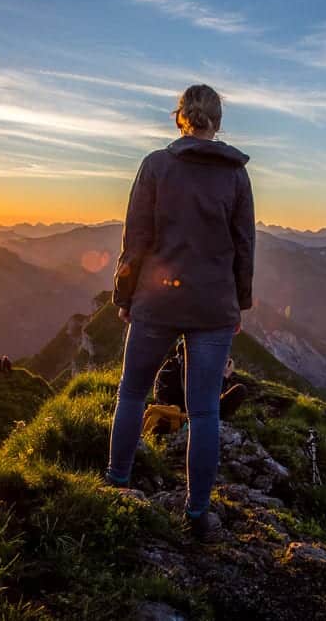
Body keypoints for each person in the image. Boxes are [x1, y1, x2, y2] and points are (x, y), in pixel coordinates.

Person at [106, 84, 255, 541]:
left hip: (157, 299)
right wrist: (238, 304)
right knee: (205, 411)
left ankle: (116, 484)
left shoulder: (156, 166)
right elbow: (244, 246)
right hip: (213, 305)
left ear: (180, 117)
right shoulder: (236, 175)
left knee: (132, 394)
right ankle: (197, 512)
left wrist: (124, 295)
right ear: (218, 120)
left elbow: (136, 239)